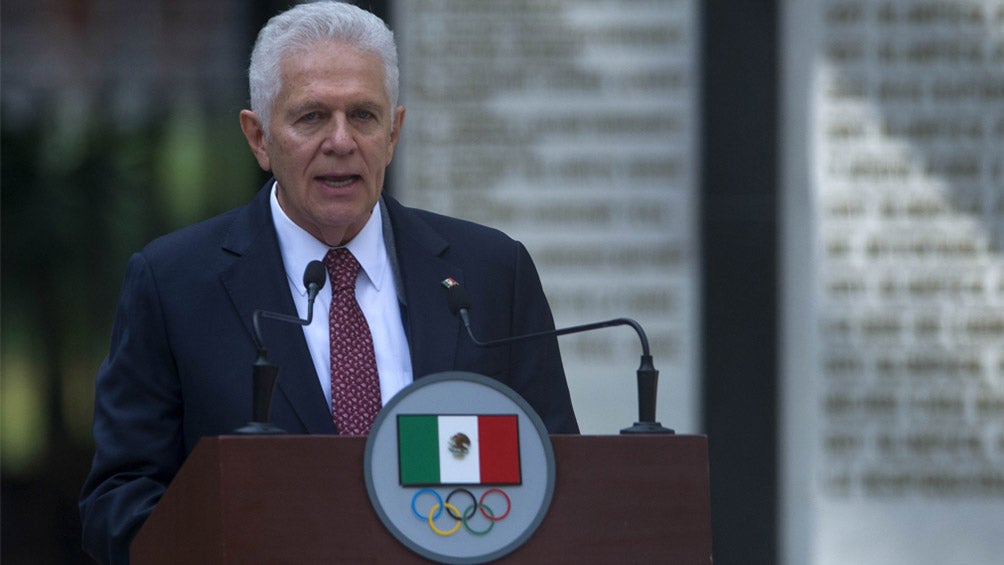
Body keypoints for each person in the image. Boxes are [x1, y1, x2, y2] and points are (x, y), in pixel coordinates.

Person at [78, 2, 579, 563]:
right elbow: (119, 506)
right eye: (312, 116)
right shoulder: (174, 284)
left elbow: (555, 474)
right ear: (259, 138)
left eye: (363, 116)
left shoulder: (490, 273)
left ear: (394, 134)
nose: (341, 141)